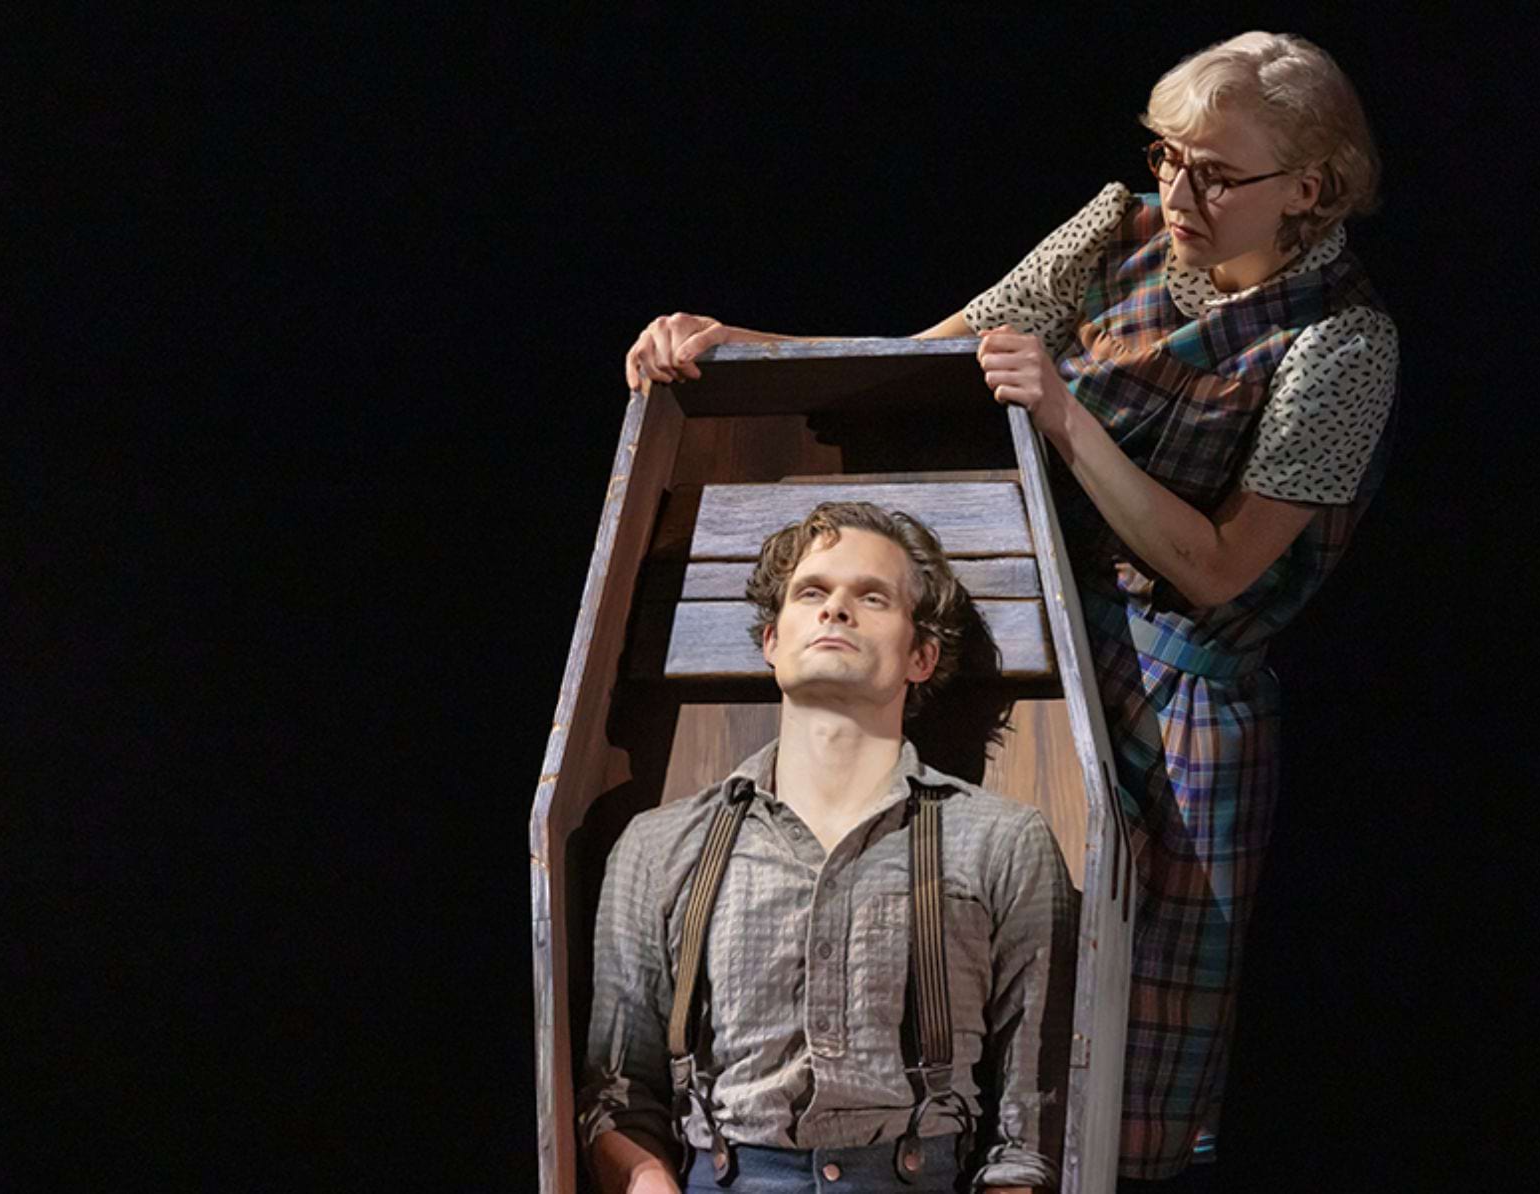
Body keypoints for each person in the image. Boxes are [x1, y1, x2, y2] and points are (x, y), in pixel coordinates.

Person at [621, 31, 1397, 1189]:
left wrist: (1066, 420)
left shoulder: (1341, 343)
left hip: (1175, 708)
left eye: (1218, 175)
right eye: (1168, 156)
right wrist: (738, 350)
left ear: (1313, 189)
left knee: (1117, 1072)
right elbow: (936, 359)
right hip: (1030, 657)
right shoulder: (1119, 230)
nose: (1179, 193)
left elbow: (1221, 565)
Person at [578, 501, 1078, 1193]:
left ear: (921, 656)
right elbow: (618, 1093)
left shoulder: (1002, 842)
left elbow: (1032, 1123)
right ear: (772, 640)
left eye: (872, 598)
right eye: (812, 593)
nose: (836, 610)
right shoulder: (660, 846)